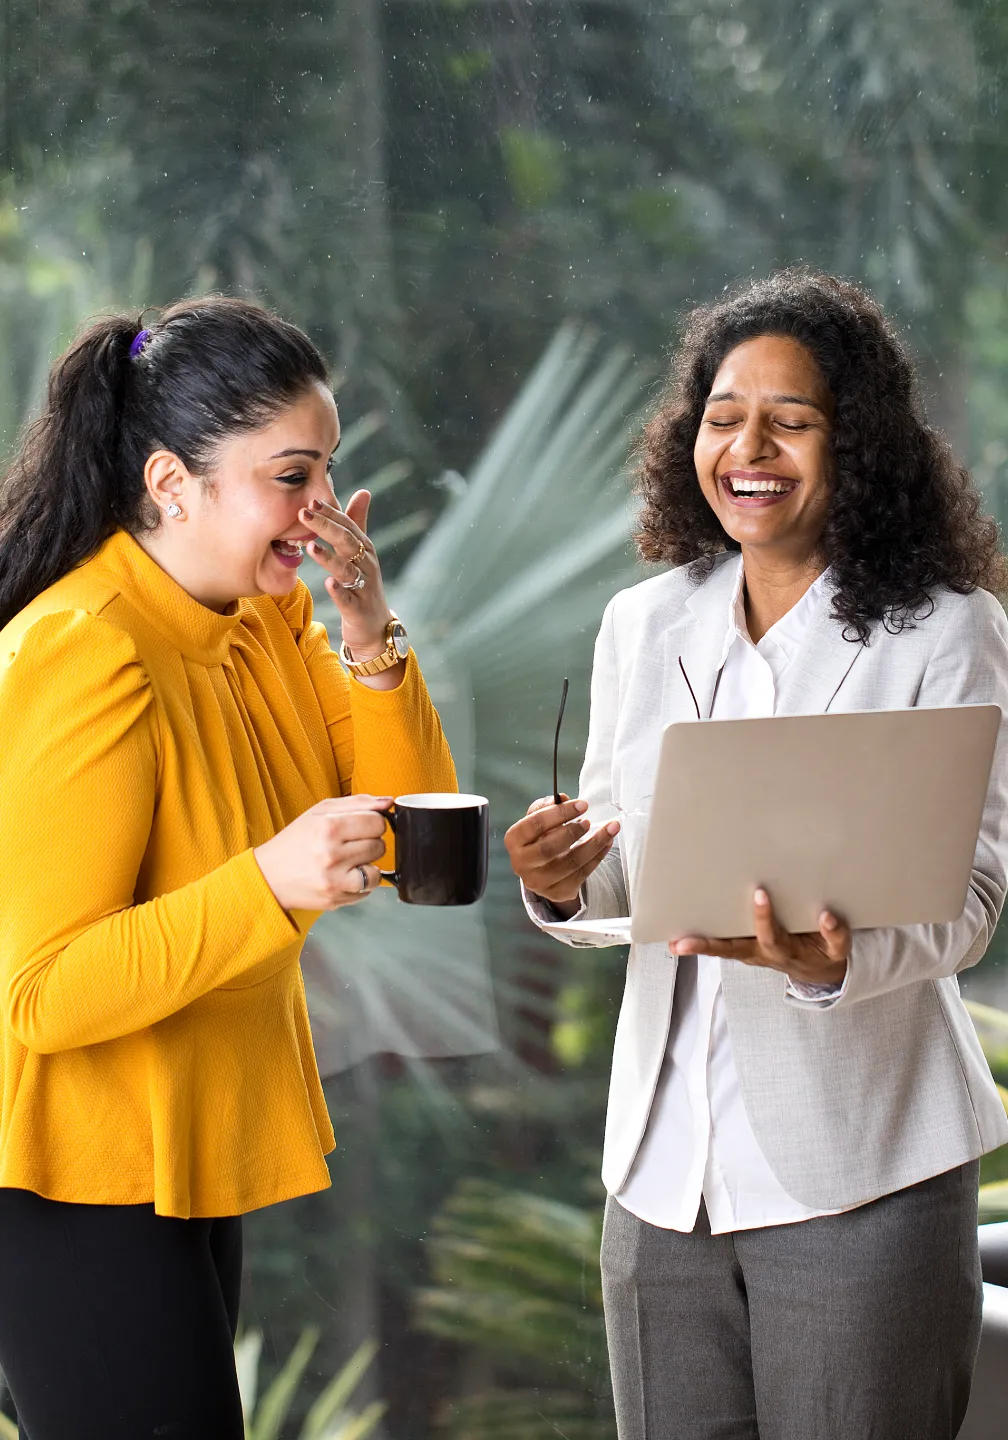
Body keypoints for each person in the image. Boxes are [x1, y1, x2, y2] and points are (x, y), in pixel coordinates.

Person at [505, 268, 1008, 1439]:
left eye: (792, 420)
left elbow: (971, 899)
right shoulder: (648, 620)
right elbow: (635, 861)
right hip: (662, 1175)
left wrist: (822, 961)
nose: (750, 447)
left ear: (858, 442)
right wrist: (565, 878)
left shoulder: (948, 630)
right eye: (724, 417)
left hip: (861, 1168)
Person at [0, 298, 456, 1439]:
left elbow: (406, 827)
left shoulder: (260, 622)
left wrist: (365, 624)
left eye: (326, 473)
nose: (318, 513)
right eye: (290, 476)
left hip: (179, 1150)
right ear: (171, 481)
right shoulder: (85, 649)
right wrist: (268, 882)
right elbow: (43, 991)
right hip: (71, 1177)